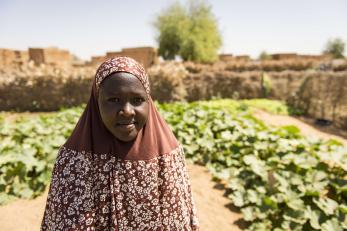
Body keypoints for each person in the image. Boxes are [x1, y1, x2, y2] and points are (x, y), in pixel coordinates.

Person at [40, 56, 199, 230]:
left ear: (149, 101)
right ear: (96, 101)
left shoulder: (169, 156)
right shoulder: (73, 161)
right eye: (114, 100)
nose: (127, 111)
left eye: (137, 100)